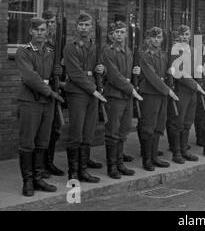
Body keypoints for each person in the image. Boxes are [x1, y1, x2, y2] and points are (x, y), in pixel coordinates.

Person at [16, 17, 64, 196]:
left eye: (42, 29)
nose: (39, 32)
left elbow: (53, 78)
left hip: (47, 103)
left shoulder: (50, 52)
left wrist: (59, 73)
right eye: (36, 30)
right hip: (30, 101)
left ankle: (38, 178)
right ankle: (27, 181)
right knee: (27, 142)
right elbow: (30, 77)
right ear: (30, 32)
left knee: (43, 141)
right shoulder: (23, 51)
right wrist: (51, 92)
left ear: (46, 32)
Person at [63, 12, 106, 183]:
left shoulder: (94, 46)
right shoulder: (70, 47)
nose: (84, 28)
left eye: (87, 25)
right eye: (81, 25)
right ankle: (73, 173)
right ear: (76, 26)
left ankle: (83, 170)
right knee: (76, 132)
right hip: (78, 92)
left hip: (93, 91)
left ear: (91, 28)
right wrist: (93, 90)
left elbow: (100, 66)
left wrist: (103, 70)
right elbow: (75, 74)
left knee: (88, 131)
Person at [102, 21, 143, 179]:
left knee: (123, 130)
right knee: (112, 131)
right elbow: (113, 76)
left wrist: (136, 72)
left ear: (126, 34)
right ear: (112, 35)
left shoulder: (128, 51)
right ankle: (112, 166)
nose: (119, 35)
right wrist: (132, 89)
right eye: (116, 32)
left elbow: (128, 73)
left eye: (121, 32)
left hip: (126, 95)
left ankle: (120, 163)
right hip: (115, 95)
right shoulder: (108, 51)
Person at [138, 27, 179, 171]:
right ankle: (147, 159)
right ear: (148, 39)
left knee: (158, 125)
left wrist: (170, 72)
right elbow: (152, 77)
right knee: (148, 126)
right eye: (153, 37)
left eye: (159, 37)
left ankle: (154, 156)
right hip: (150, 93)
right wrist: (168, 90)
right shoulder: (145, 55)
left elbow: (165, 73)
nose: (156, 40)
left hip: (161, 94)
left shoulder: (163, 54)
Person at [166, 25, 205, 164]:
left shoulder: (194, 51)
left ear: (190, 36)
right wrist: (196, 85)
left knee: (188, 121)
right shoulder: (175, 50)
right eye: (181, 34)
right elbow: (178, 72)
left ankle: (184, 149)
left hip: (192, 91)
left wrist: (199, 75)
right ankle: (176, 152)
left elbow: (198, 69)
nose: (184, 37)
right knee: (178, 122)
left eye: (186, 34)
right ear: (178, 36)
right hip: (181, 90)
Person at [41, 10, 65, 177]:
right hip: (43, 92)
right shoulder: (40, 45)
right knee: (41, 130)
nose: (50, 26)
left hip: (58, 90)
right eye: (47, 23)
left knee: (55, 129)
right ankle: (39, 166)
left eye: (53, 23)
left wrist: (62, 75)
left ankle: (49, 162)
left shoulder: (60, 45)